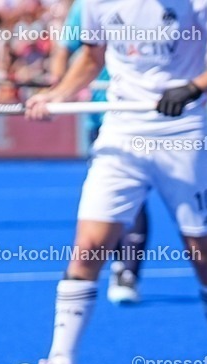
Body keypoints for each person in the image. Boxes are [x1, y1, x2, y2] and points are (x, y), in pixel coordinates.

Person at [15, 0, 207, 364]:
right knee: (88, 248)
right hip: (121, 133)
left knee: (204, 256)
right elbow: (92, 56)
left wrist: (194, 87)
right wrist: (55, 95)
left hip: (184, 133)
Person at [50, 0, 150, 304]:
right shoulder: (86, 6)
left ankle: (126, 269)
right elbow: (66, 51)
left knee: (136, 198)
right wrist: (58, 88)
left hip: (138, 114)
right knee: (108, 201)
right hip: (99, 116)